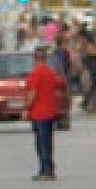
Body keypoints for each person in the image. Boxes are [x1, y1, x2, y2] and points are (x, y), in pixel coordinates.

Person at [23, 46, 66, 181]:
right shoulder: (50, 72)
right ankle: (49, 169)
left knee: (41, 143)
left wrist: (26, 108)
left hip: (39, 113)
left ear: (35, 58)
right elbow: (59, 85)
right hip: (50, 111)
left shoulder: (35, 74)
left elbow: (32, 94)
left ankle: (45, 170)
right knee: (48, 142)